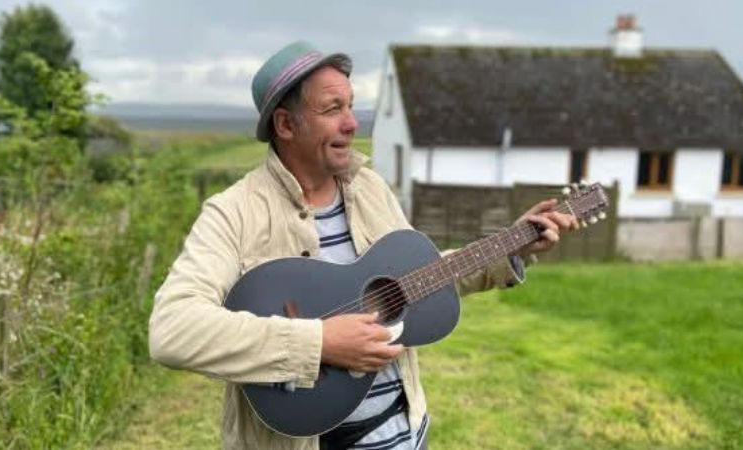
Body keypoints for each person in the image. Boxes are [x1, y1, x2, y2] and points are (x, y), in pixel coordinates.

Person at [148, 41, 576, 450]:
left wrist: (512, 248)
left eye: (351, 106)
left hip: (403, 429)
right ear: (285, 124)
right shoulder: (233, 212)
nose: (352, 123)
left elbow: (412, 286)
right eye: (333, 109)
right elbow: (173, 330)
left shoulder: (368, 187)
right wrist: (318, 342)